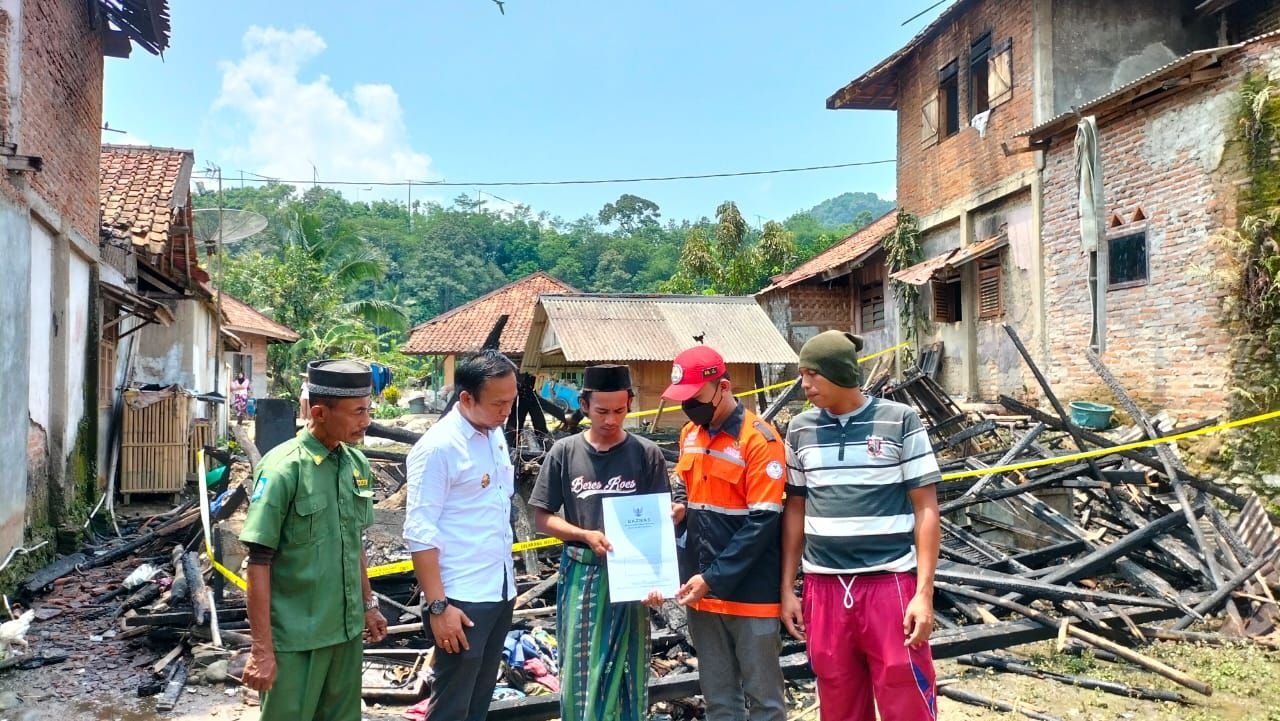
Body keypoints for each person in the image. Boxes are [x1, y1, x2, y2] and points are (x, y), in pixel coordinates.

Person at [780, 330, 941, 721]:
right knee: (838, 698)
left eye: (813, 374)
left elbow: (926, 509)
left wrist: (923, 593)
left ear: (841, 372)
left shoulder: (899, 420)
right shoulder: (800, 429)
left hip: (889, 584)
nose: (805, 385)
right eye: (802, 375)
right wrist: (787, 587)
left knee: (906, 696)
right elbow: (795, 510)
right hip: (824, 587)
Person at [529, 364, 684, 721]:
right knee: (581, 669)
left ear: (629, 403)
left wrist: (657, 580)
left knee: (629, 667)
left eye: (619, 410)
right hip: (582, 574)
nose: (611, 420)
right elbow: (542, 518)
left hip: (632, 576)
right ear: (584, 405)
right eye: (601, 411)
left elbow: (657, 524)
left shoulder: (646, 453)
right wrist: (583, 535)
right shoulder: (565, 452)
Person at [239, 359, 389, 721]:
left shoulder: (357, 465)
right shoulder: (283, 469)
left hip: (346, 634)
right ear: (320, 413)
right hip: (296, 641)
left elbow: (354, 542)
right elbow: (258, 562)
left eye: (368, 410)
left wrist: (368, 606)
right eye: (357, 412)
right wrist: (261, 650)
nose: (366, 421)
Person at [662, 345, 788, 721]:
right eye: (682, 398)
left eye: (695, 397)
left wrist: (713, 578)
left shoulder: (759, 440)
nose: (688, 406)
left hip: (749, 593)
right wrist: (680, 506)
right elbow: (685, 486)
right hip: (701, 592)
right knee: (719, 701)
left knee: (764, 701)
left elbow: (762, 523)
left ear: (724, 387)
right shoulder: (689, 434)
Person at [403, 350, 520, 721]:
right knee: (452, 707)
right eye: (498, 404)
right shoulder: (438, 448)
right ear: (466, 398)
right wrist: (439, 607)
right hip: (461, 599)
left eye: (511, 401)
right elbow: (419, 532)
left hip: (499, 590)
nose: (506, 411)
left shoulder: (494, 434)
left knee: (478, 702)